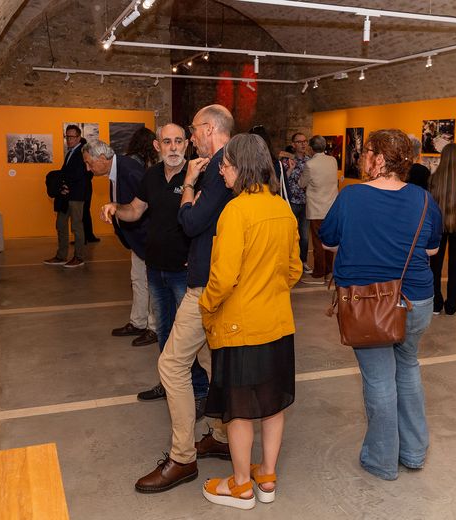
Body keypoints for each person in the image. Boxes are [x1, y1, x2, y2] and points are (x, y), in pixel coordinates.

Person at [319, 129, 442, 481]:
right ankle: (415, 452)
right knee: (408, 368)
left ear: (375, 157)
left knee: (379, 380)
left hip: (367, 302)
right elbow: (432, 250)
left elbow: (328, 241)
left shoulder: (352, 196)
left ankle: (382, 460)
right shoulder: (421, 198)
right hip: (416, 298)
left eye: (366, 152)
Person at [198, 133, 301, 510]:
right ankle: (267, 477)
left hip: (240, 328)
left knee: (239, 409)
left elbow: (223, 278)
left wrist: (207, 306)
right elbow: (294, 270)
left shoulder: (235, 211)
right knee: (272, 404)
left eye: (224, 165)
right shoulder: (283, 209)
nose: (222, 171)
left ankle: (241, 485)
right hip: (277, 324)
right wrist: (269, 288)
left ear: (240, 166)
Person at [135, 105, 234, 493]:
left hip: (207, 285)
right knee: (210, 358)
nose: (190, 139)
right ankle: (222, 436)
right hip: (216, 280)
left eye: (192, 131)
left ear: (208, 129)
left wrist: (190, 183)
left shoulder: (217, 168)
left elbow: (190, 222)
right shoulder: (229, 162)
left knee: (172, 364)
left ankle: (182, 457)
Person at [99, 124, 208, 402]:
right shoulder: (151, 175)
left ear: (186, 145)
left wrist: (198, 258)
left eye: (179, 141)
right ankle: (171, 382)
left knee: (186, 339)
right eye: (167, 142)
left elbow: (207, 224)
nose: (173, 147)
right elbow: (136, 210)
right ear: (157, 146)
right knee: (163, 331)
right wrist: (116, 208)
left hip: (184, 272)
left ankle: (197, 387)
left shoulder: (196, 177)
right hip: (155, 267)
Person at [84, 140, 157, 347]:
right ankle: (138, 322)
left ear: (102, 159)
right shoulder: (116, 169)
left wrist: (146, 240)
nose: (87, 168)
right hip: (136, 241)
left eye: (89, 163)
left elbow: (147, 207)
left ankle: (154, 328)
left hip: (146, 239)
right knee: (138, 281)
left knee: (152, 284)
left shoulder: (130, 170)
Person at [429, 143, 456, 316]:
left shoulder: (434, 178)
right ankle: (452, 305)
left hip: (438, 226)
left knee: (435, 266)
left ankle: (435, 303)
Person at [43, 125, 87, 268]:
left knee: (76, 227)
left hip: (76, 196)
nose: (68, 139)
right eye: (67, 136)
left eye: (72, 137)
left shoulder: (82, 152)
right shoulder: (70, 153)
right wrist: (61, 187)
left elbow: (82, 175)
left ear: (79, 138)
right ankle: (61, 256)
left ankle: (79, 257)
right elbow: (65, 173)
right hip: (65, 196)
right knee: (61, 225)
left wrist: (67, 186)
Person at [299, 135, 338, 284]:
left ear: (311, 147)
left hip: (316, 207)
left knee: (317, 242)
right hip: (331, 206)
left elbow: (302, 183)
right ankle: (328, 271)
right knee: (329, 240)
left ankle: (319, 273)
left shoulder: (310, 164)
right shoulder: (333, 160)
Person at [279, 133, 311, 273]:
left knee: (304, 236)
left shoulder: (310, 161)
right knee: (290, 233)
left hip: (306, 202)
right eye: (299, 142)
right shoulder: (286, 161)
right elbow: (282, 180)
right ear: (293, 144)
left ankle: (303, 261)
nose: (303, 144)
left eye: (305, 141)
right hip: (291, 201)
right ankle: (287, 262)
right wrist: (290, 169)